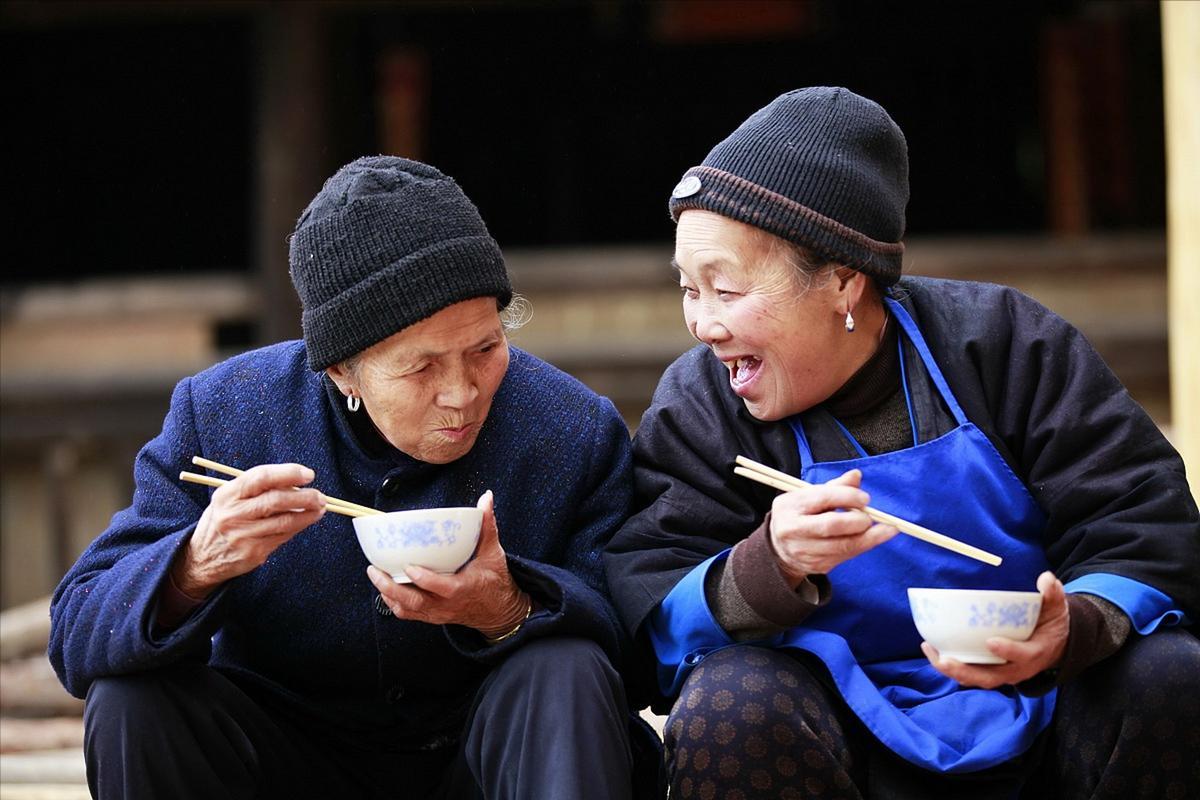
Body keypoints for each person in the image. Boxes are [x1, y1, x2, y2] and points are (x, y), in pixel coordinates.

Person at [604, 87, 1200, 799]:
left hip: (1046, 704)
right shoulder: (701, 402)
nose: (701, 324)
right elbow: (648, 612)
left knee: (1172, 674)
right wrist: (769, 565)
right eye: (687, 289)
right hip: (832, 730)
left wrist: (1074, 626)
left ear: (844, 281)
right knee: (730, 705)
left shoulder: (1005, 345)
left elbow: (1143, 521)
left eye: (725, 291)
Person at [49, 156, 661, 799]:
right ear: (342, 372)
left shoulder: (568, 426)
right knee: (132, 699)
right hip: (286, 763)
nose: (462, 393)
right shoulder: (228, 414)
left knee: (563, 667)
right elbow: (77, 634)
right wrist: (196, 564)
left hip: (484, 762)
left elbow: (636, 654)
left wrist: (507, 609)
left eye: (485, 349)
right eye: (421, 369)